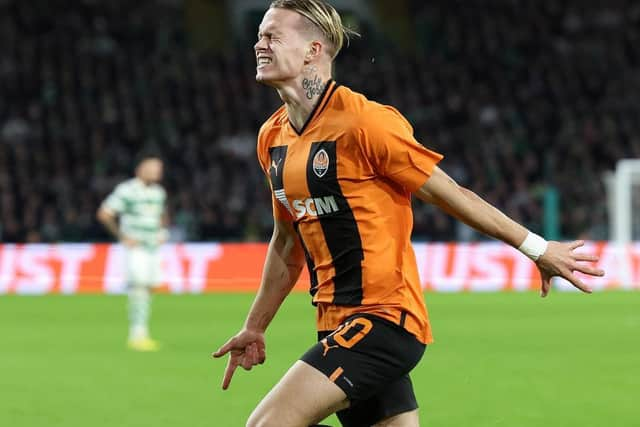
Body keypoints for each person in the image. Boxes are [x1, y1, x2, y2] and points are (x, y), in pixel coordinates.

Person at [213, 1, 605, 426]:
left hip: (384, 322)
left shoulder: (366, 123)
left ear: (313, 50)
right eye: (259, 35)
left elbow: (449, 193)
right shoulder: (272, 138)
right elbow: (286, 240)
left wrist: (536, 247)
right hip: (335, 326)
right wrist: (256, 326)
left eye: (272, 35)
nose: (259, 44)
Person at [97, 155, 168, 352]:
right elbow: (105, 213)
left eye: (159, 168)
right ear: (140, 169)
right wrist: (122, 236)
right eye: (153, 168)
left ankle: (141, 331)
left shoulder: (158, 192)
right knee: (139, 287)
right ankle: (137, 334)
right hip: (136, 248)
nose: (156, 172)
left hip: (153, 247)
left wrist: (162, 232)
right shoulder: (127, 190)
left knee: (150, 287)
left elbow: (161, 215)